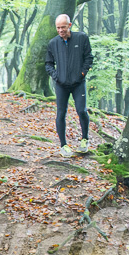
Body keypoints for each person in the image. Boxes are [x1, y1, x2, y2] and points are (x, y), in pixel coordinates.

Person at [45, 14, 94, 158]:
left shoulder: (81, 38)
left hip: (78, 83)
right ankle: (63, 145)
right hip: (61, 84)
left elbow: (89, 58)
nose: (60, 30)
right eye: (58, 28)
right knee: (61, 113)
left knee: (81, 110)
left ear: (70, 25)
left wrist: (82, 74)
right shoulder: (53, 43)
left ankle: (85, 139)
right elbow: (48, 63)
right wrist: (56, 76)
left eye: (63, 27)